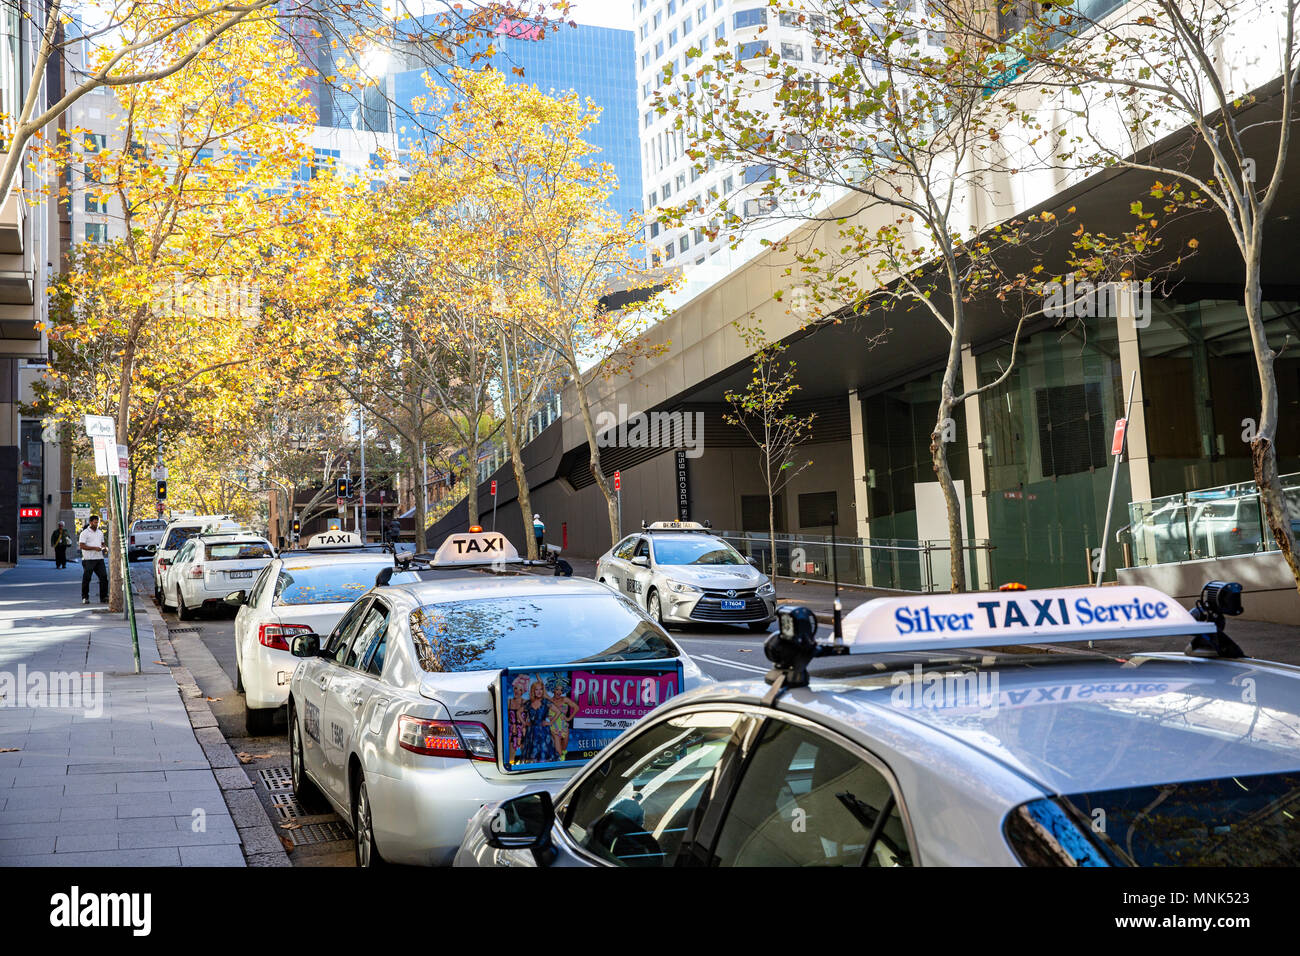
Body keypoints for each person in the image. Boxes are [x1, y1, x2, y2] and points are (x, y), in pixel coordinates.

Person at [78, 514, 109, 605]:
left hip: (99, 558)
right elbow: (82, 546)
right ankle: (85, 597)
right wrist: (94, 548)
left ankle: (103, 597)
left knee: (103, 577)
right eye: (95, 522)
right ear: (91, 522)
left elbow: (102, 543)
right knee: (87, 578)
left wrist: (105, 548)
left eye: (98, 522)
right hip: (88, 559)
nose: (97, 524)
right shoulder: (84, 533)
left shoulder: (100, 533)